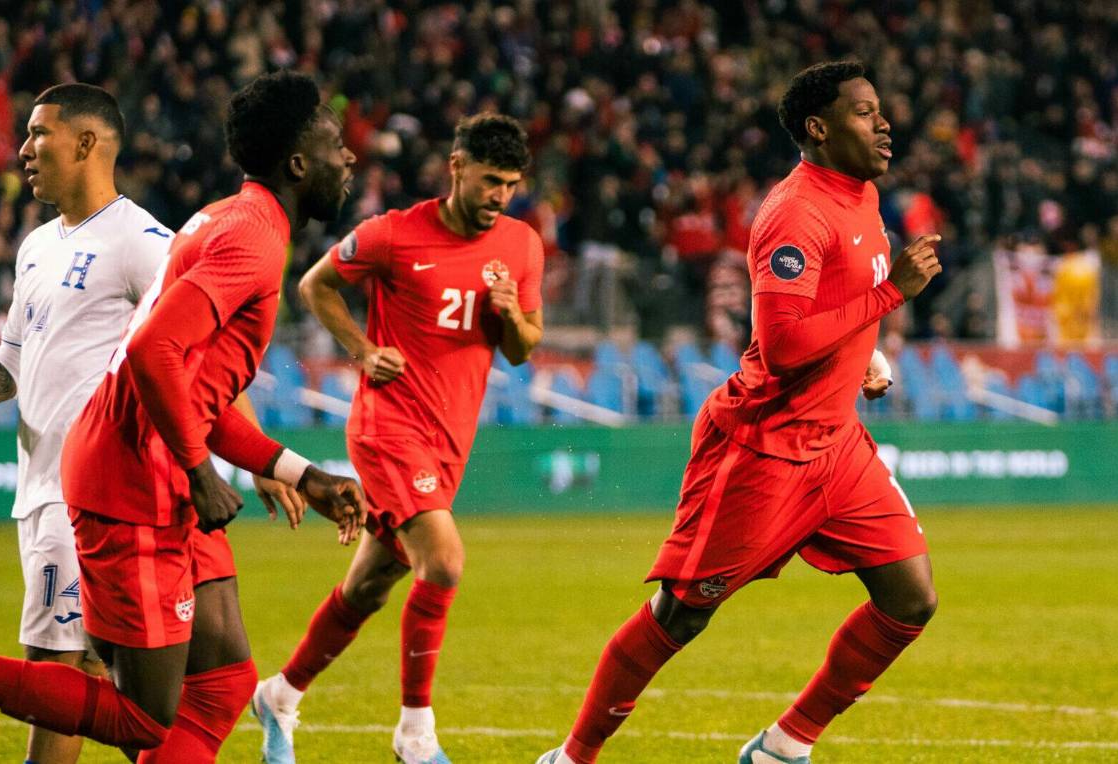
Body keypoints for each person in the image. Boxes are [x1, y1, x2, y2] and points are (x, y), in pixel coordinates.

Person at [0, 70, 365, 763]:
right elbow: (154, 351)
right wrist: (205, 471)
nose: (350, 155)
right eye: (336, 141)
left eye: (37, 133)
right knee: (136, 713)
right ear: (298, 162)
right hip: (129, 475)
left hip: (140, 464)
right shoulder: (248, 240)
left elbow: (195, 385)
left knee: (222, 682)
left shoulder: (212, 222)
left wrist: (295, 470)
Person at [536, 60, 943, 764]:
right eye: (864, 111)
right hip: (763, 448)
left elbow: (833, 303)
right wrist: (890, 297)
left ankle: (784, 747)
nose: (884, 123)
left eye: (880, 110)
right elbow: (781, 345)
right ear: (818, 128)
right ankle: (572, 756)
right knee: (682, 615)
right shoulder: (794, 214)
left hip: (836, 443)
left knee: (911, 598)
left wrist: (865, 358)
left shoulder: (864, 195)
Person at [0, 82, 177, 764]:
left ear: (85, 143)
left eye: (36, 134)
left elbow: (183, 354)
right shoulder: (35, 247)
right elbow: (11, 365)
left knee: (57, 670)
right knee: (103, 681)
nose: (21, 149)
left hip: (89, 495)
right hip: (40, 487)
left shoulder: (143, 243)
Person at [251, 113, 544, 764]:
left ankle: (281, 692)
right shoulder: (393, 234)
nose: (501, 196)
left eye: (512, 184)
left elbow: (525, 349)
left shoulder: (523, 245)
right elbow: (314, 285)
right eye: (491, 181)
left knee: (368, 589)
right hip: (389, 426)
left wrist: (510, 314)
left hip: (449, 439)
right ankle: (415, 734)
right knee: (442, 561)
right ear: (457, 167)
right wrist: (360, 350)